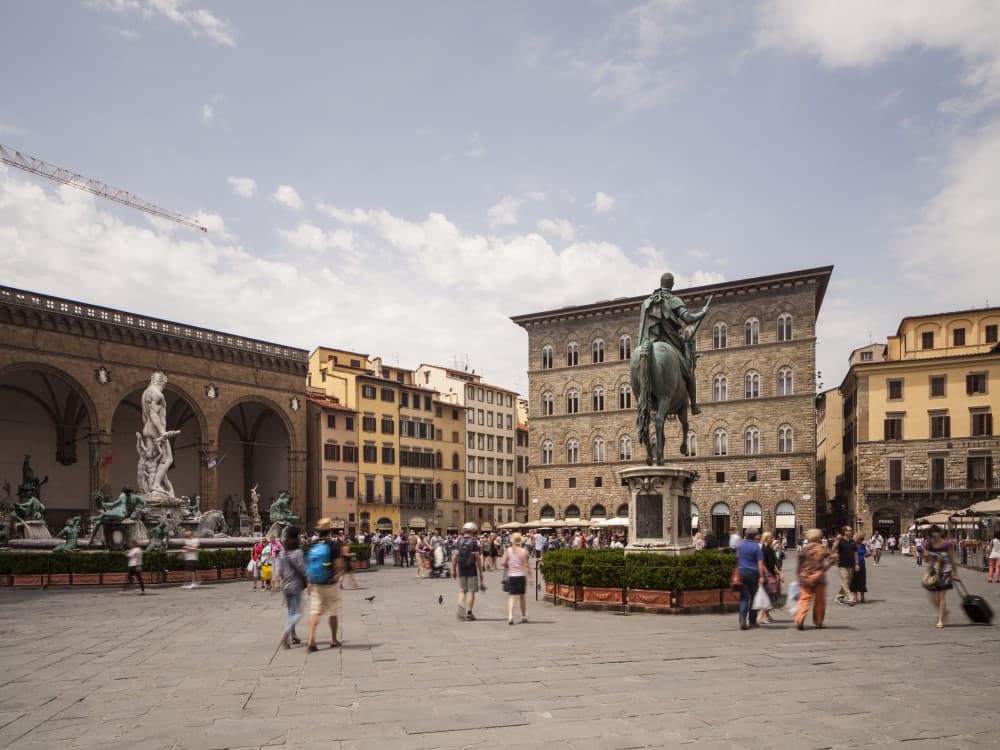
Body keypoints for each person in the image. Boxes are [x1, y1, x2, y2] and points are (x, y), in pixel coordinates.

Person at [636, 272, 709, 415]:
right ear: (672, 284)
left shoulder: (647, 303)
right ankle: (693, 406)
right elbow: (687, 318)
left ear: (660, 283)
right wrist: (703, 312)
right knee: (689, 371)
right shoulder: (673, 300)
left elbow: (641, 327)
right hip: (670, 341)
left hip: (647, 341)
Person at [305, 518, 346, 650]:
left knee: (315, 611)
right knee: (333, 612)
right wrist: (339, 574)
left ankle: (311, 639)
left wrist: (309, 582)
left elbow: (309, 564)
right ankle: (333, 639)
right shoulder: (332, 544)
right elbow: (339, 564)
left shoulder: (313, 544)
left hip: (316, 583)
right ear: (329, 531)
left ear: (318, 531)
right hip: (330, 583)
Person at [794, 528, 837, 630]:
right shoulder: (822, 548)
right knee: (819, 601)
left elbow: (799, 564)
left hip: (804, 578)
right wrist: (826, 567)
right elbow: (833, 558)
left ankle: (800, 619)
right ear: (820, 537)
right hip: (819, 578)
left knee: (804, 600)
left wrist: (799, 575)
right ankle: (818, 622)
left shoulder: (804, 549)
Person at [922, 525, 960, 629]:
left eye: (936, 535)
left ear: (939, 534)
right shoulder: (928, 544)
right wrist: (925, 556)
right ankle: (944, 611)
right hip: (933, 573)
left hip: (945, 572)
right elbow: (926, 560)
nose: (934, 538)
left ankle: (940, 620)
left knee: (941, 597)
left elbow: (952, 560)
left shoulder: (947, 544)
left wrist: (955, 573)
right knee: (933, 598)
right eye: (932, 536)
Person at [278, 527, 307, 648]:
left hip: (286, 586)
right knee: (299, 613)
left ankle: (293, 636)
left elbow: (279, 571)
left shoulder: (282, 553)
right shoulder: (298, 553)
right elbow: (303, 569)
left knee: (290, 612)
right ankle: (287, 632)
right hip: (296, 586)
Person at [736, 530, 767, 630]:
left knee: (744, 597)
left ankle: (742, 619)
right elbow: (760, 562)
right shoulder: (756, 546)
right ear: (754, 536)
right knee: (754, 598)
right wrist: (761, 576)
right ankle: (752, 621)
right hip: (753, 574)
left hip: (742, 572)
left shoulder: (740, 545)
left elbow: (738, 559)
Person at [452, 522, 484, 621]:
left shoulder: (458, 541)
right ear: (473, 531)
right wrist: (481, 571)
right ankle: (469, 613)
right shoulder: (475, 541)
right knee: (471, 592)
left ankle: (461, 608)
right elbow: (477, 558)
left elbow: (455, 556)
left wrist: (453, 570)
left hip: (461, 569)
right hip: (471, 569)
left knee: (462, 591)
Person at [500, 532, 532, 625]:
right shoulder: (524, 551)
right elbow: (526, 565)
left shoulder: (508, 550)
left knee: (512, 597)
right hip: (521, 576)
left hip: (512, 576)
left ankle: (510, 616)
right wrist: (530, 577)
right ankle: (523, 616)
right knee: (522, 597)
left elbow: (502, 562)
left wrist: (509, 565)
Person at [757, 532, 784, 624]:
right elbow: (762, 563)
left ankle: (767, 615)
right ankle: (761, 616)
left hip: (771, 573)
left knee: (770, 595)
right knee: (768, 595)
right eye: (770, 537)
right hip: (768, 574)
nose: (772, 538)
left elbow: (773, 564)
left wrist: (779, 573)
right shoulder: (764, 549)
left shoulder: (769, 548)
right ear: (766, 539)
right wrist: (767, 573)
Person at [834, 526, 858, 606]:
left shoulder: (852, 541)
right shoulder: (840, 541)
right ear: (845, 532)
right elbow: (833, 549)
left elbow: (855, 553)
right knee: (845, 582)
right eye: (849, 530)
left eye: (851, 530)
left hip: (851, 564)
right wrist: (837, 540)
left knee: (847, 583)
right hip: (842, 565)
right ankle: (850, 598)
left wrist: (856, 563)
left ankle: (838, 597)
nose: (851, 531)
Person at [850, 532, 870, 604]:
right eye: (861, 539)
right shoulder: (852, 545)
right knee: (854, 581)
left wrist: (869, 553)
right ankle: (855, 597)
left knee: (862, 581)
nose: (862, 540)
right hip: (854, 565)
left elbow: (865, 554)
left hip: (862, 565)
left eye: (862, 539)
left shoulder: (863, 546)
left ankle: (862, 597)